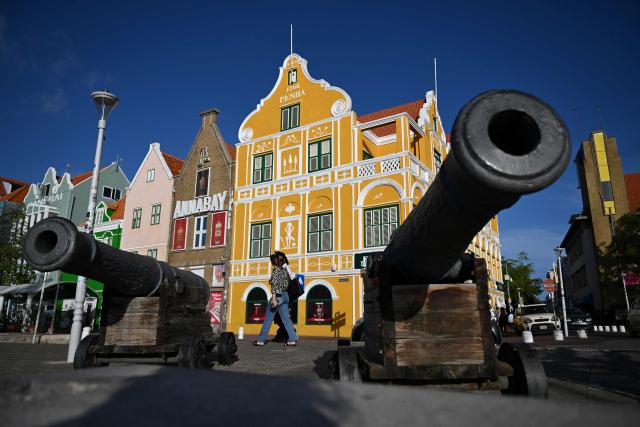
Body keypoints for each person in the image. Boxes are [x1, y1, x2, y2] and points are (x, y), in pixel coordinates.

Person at [253, 253, 298, 346]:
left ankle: (260, 340)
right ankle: (292, 338)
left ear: (273, 263)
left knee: (268, 319)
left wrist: (274, 299)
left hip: (278, 296)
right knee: (286, 319)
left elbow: (275, 286)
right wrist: (281, 254)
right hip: (286, 296)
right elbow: (286, 262)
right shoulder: (285, 270)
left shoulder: (276, 271)